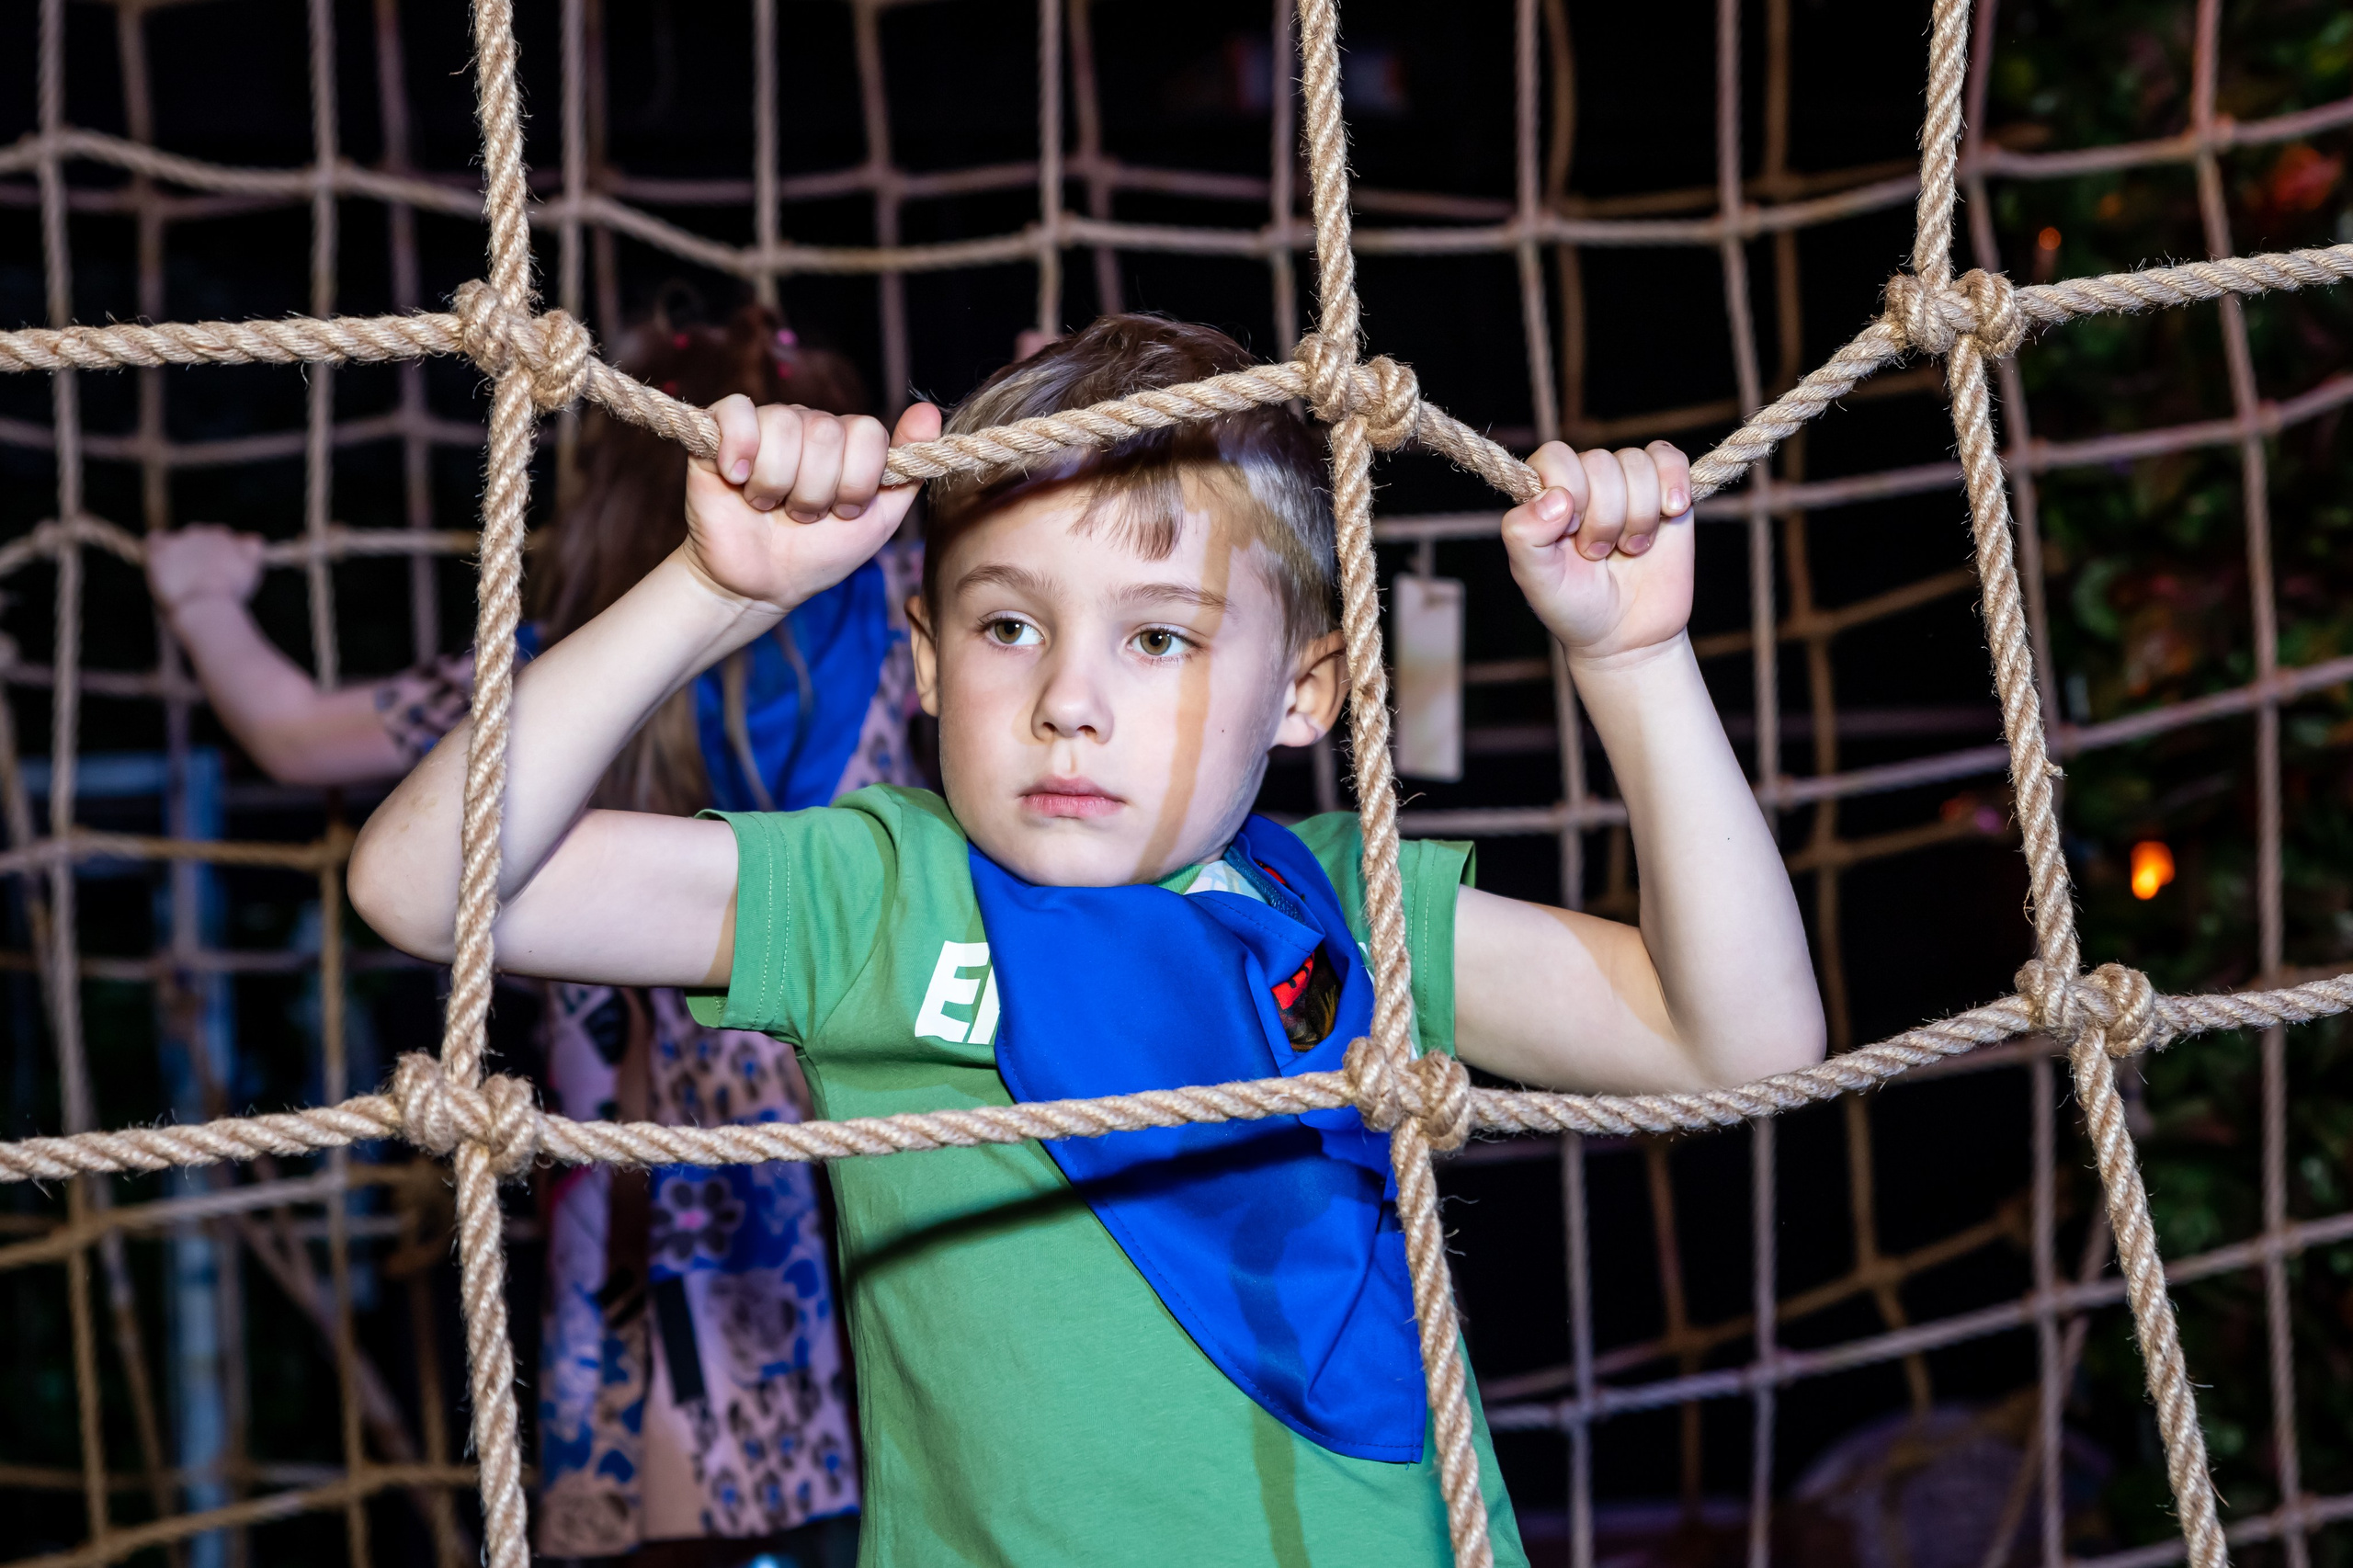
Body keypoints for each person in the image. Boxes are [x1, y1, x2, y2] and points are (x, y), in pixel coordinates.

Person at [347, 314, 1826, 1567]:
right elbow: (429, 889)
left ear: (1307, 690)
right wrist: (711, 590)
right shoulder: (881, 892)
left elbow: (1740, 1041)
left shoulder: (1351, 902)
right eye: (1009, 627)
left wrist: (1635, 660)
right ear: (926, 660)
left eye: (1159, 637)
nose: (1069, 701)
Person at [147, 303, 894, 1565]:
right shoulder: (885, 620)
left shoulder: (531, 683)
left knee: (671, 1479)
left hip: (629, 1174)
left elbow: (295, 732)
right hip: (842, 1141)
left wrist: (201, 595)